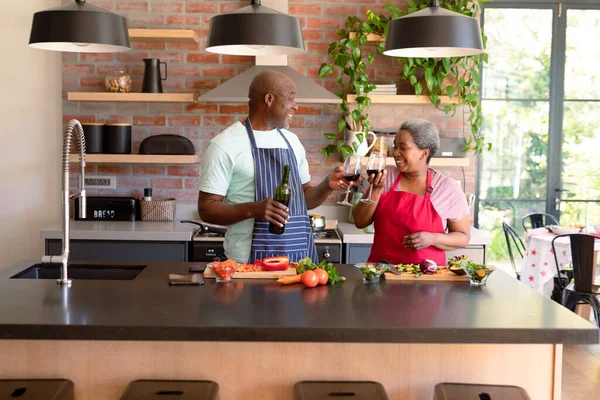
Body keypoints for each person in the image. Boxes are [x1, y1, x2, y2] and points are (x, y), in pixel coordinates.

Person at [198, 70, 351, 263]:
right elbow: (206, 209)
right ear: (269, 99)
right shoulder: (224, 145)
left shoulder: (292, 142)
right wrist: (253, 209)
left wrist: (327, 185)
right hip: (247, 265)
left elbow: (304, 200)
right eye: (291, 98)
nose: (295, 106)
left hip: (298, 262)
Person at [353, 118, 471, 265]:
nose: (395, 153)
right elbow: (360, 221)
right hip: (382, 272)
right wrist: (375, 191)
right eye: (395, 146)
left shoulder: (448, 189)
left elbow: (463, 237)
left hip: (428, 280)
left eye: (403, 148)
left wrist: (433, 239)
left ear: (424, 153)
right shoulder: (385, 176)